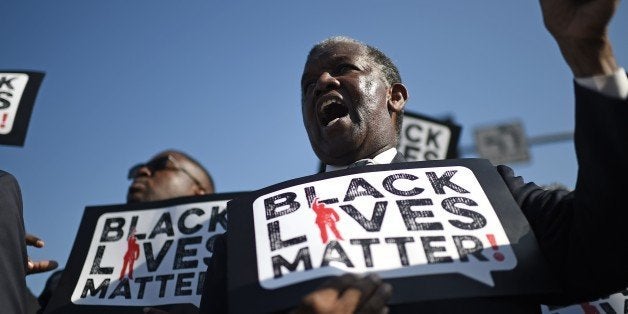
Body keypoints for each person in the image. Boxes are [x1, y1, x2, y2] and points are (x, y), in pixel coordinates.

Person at [201, 0, 628, 313]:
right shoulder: (251, 235)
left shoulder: (488, 190)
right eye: (308, 83)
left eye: (343, 69)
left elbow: (607, 247)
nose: (322, 81)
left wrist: (590, 58)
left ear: (396, 96)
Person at [36, 150, 215, 313]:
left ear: (199, 192)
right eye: (137, 169)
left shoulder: (227, 279)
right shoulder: (68, 284)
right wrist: (10, 269)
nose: (142, 172)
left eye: (162, 165)